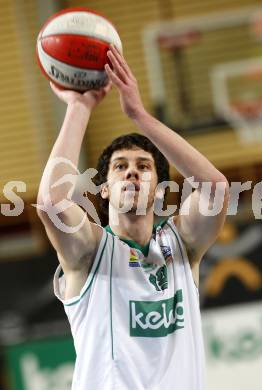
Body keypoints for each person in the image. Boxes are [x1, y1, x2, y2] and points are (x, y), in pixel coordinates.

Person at [37, 44, 229, 390]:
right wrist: (80, 105)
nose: (132, 173)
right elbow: (51, 202)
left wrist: (139, 114)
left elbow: (215, 188)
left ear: (158, 189)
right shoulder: (89, 251)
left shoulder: (182, 244)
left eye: (144, 167)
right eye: (120, 167)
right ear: (105, 189)